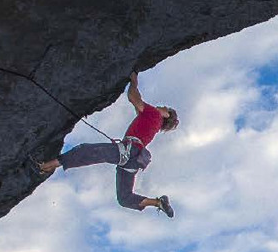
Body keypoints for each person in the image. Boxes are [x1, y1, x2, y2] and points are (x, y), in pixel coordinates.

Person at [38, 71, 178, 216]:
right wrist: (135, 88)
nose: (161, 106)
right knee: (124, 198)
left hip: (129, 151)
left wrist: (134, 81)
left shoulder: (154, 114)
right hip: (133, 160)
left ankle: (47, 165)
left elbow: (133, 98)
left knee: (89, 151)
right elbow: (137, 106)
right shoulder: (151, 121)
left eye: (165, 107)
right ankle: (158, 202)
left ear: (167, 114)